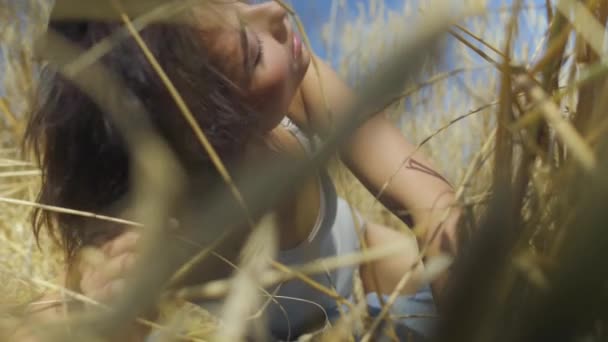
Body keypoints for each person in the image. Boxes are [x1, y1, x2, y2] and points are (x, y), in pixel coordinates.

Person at [21, 1, 460, 340]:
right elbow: (61, 311)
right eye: (251, 54)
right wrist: (106, 308)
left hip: (372, 276)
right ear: (202, 135)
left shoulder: (306, 88)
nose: (275, 12)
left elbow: (430, 199)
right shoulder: (165, 222)